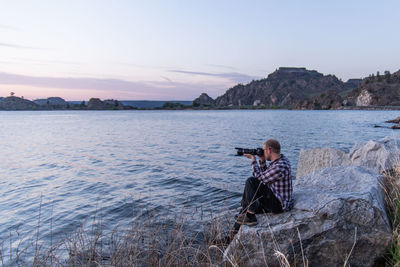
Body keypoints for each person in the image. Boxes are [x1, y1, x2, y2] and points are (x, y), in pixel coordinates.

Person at [234, 139, 293, 226]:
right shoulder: (281, 160)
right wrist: (262, 160)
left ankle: (250, 217)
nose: (262, 152)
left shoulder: (280, 166)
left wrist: (253, 160)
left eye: (263, 150)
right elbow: (266, 176)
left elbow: (259, 178)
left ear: (269, 150)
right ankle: (232, 235)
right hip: (275, 196)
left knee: (251, 181)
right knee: (245, 207)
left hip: (279, 204)